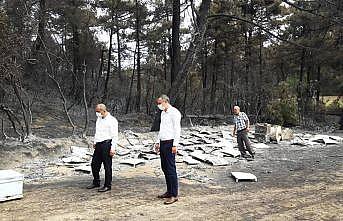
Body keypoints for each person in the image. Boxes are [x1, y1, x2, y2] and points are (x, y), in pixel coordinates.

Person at [154, 95, 181, 205]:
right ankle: (169, 191)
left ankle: (174, 195)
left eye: (160, 103)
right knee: (164, 168)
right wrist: (157, 142)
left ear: (165, 101)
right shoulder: (163, 113)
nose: (158, 105)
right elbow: (162, 129)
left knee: (170, 169)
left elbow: (177, 129)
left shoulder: (174, 112)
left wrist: (175, 144)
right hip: (163, 142)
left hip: (170, 143)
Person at [87, 104, 118, 192]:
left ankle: (108, 185)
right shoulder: (99, 119)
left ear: (103, 110)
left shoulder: (112, 120)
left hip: (107, 144)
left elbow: (115, 136)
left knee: (107, 166)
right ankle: (96, 181)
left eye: (98, 111)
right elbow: (97, 132)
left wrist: (113, 148)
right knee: (94, 164)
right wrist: (95, 141)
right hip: (99, 144)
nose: (97, 113)